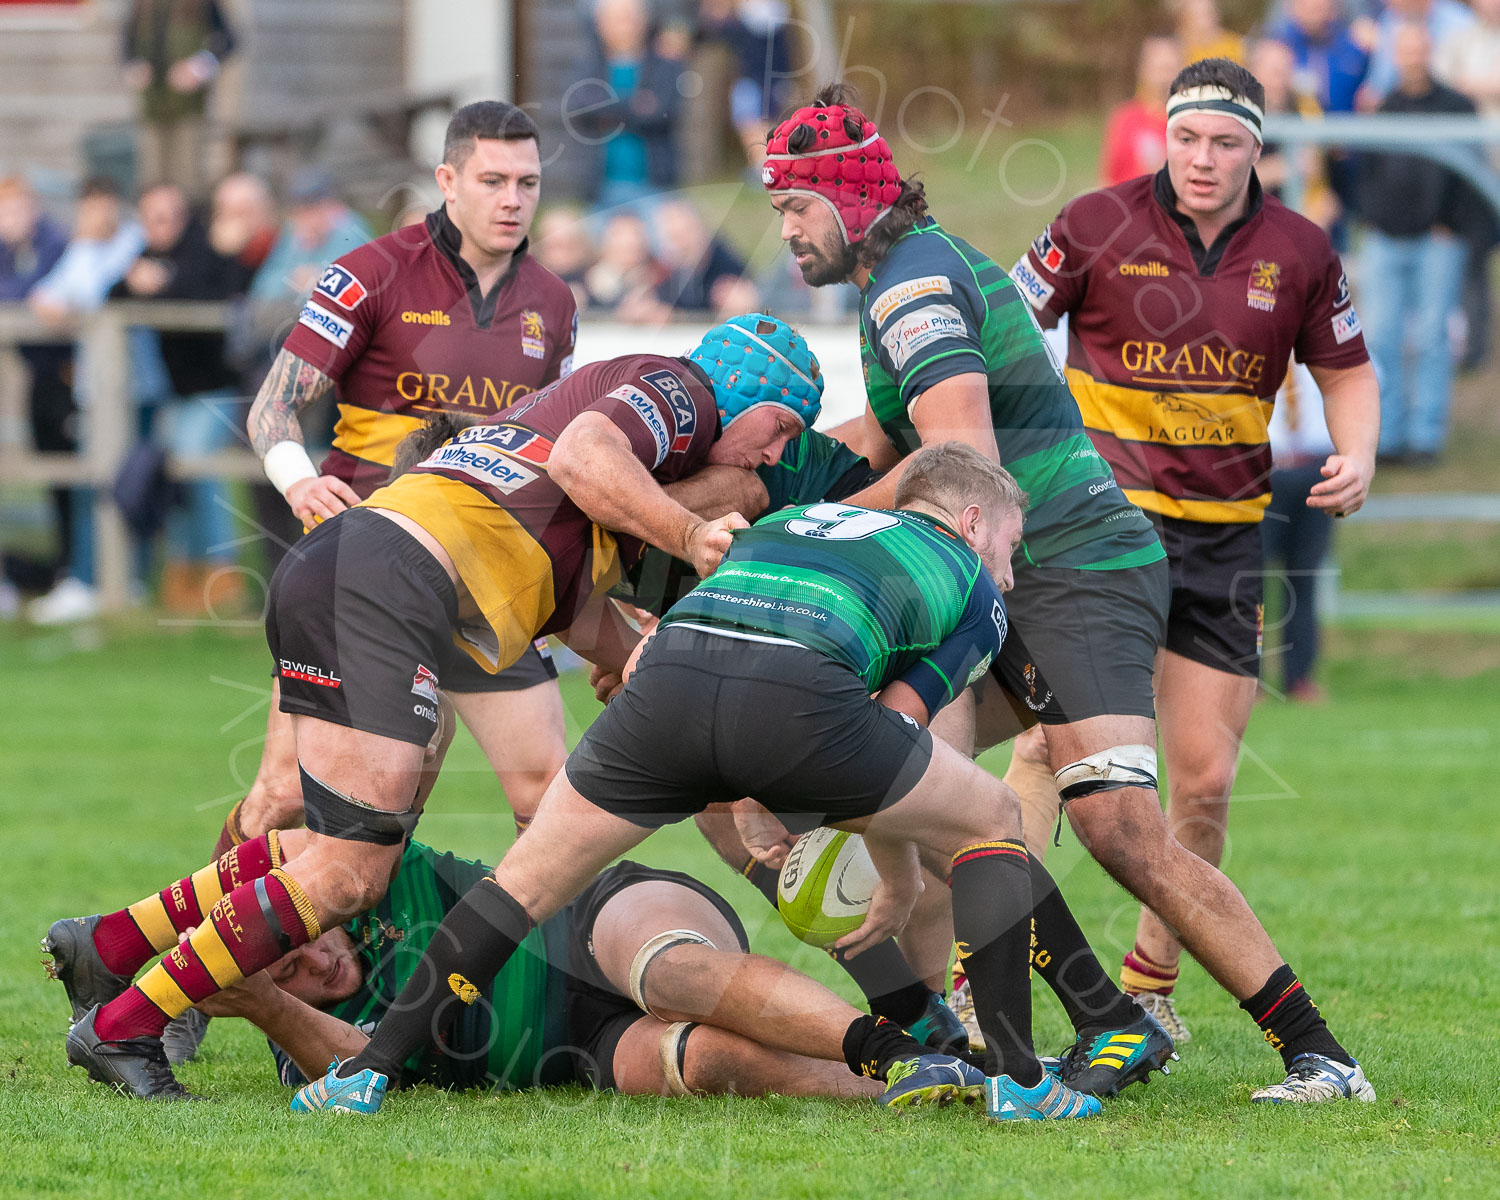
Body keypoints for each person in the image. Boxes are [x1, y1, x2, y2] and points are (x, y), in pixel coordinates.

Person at [765, 82, 1375, 1103]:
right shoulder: (908, 278)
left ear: (850, 199)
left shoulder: (912, 287)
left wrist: (799, 524)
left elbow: (959, 454)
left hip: (1074, 567)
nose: (784, 229)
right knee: (928, 788)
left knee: (1120, 828)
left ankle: (1318, 1054)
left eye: (794, 206)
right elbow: (887, 434)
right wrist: (773, 480)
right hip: (1015, 569)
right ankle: (1045, 1032)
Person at [58, 312, 821, 1100]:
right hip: (386, 586)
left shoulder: (574, 522)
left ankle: (109, 945)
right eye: (781, 425)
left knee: (333, 848)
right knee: (353, 872)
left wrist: (645, 665)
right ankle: (123, 1027)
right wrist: (693, 532)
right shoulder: (685, 391)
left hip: (364, 572)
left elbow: (594, 615)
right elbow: (587, 454)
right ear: (746, 384)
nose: (774, 451)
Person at [294, 443, 1111, 1122]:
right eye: (1008, 548)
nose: (1007, 574)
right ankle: (1019, 1082)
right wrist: (894, 877)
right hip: (795, 702)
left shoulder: (789, 521)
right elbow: (895, 733)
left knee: (523, 884)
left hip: (666, 689)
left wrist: (758, 781)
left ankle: (365, 1073)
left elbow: (714, 632)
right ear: (972, 524)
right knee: (993, 812)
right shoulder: (968, 584)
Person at [1008, 57, 1379, 1053]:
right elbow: (1000, 329)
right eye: (1187, 139)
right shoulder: (1093, 224)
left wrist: (1361, 453)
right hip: (1098, 531)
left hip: (1221, 543)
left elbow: (1345, 367)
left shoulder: (1301, 249)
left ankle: (1151, 984)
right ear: (1160, 135)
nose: (1202, 160)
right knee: (1049, 745)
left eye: (1225, 143)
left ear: (1259, 149)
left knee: (1206, 777)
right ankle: (980, 971)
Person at [216, 102, 577, 893]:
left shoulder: (553, 304)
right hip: (370, 568)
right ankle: (200, 967)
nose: (512, 199)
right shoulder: (371, 272)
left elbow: (552, 452)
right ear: (448, 181)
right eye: (492, 180)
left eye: (528, 182)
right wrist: (298, 477)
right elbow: (272, 406)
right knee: (286, 795)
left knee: (546, 793)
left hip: (486, 573)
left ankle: (522, 987)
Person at [46, 832, 890, 1102]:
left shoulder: (367, 878)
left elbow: (294, 845)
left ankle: (896, 1044)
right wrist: (270, 1005)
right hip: (587, 1047)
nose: (304, 953)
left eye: (288, 931)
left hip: (598, 922)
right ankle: (912, 1085)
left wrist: (144, 935)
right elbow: (357, 1063)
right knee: (701, 1059)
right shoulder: (293, 1039)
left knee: (667, 974)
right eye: (281, 969)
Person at [109, 181, 246, 614]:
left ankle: (224, 577)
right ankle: (183, 579)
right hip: (179, 397)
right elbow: (111, 294)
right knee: (173, 479)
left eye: (168, 216)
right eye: (152, 218)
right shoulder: (149, 257)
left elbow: (206, 295)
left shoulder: (205, 250)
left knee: (198, 471)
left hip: (216, 391)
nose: (161, 226)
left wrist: (157, 288)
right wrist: (136, 285)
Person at [24, 178, 146, 624]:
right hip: (95, 389)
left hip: (133, 388)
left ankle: (122, 580)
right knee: (91, 485)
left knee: (129, 481)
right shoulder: (82, 250)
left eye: (101, 206)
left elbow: (106, 295)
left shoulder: (135, 243)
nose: (95, 217)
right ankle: (86, 579)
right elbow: (46, 298)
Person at [1357, 23, 1478, 464]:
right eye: (1404, 50)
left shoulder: (1457, 106)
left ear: (1430, 51)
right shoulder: (1382, 108)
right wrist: (1372, 219)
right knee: (1381, 338)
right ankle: (1386, 436)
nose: (1412, 57)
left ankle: (1426, 436)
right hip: (1386, 239)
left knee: (1432, 338)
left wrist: (1453, 223)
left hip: (1437, 241)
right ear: (1395, 55)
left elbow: (1471, 172)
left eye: (1419, 48)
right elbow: (1365, 171)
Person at [0, 176, 73, 603]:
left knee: (67, 475)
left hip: (65, 375)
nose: (11, 221)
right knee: (45, 470)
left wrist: (26, 296)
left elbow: (42, 291)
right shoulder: (8, 251)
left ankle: (72, 573)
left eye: (16, 211)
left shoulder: (55, 244)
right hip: (34, 374)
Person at [1263, 363, 1337, 704]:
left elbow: (1362, 383)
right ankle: (1245, 679)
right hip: (1265, 470)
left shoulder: (1328, 342)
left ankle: (1300, 678)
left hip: (1315, 469)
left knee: (1304, 578)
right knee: (1246, 580)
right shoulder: (1254, 336)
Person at [574, 0, 685, 211]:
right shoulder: (589, 66)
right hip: (599, 192)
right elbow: (580, 108)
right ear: (599, 24)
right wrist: (636, 106)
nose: (624, 26)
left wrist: (607, 109)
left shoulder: (665, 65)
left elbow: (661, 114)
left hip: (655, 189)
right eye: (617, 19)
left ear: (645, 21)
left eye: (629, 18)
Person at [121, 0, 236, 197]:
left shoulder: (203, 3)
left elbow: (228, 40)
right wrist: (133, 67)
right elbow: (127, 40)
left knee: (187, 180)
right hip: (152, 105)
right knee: (152, 179)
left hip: (188, 107)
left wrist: (197, 68)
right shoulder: (142, 5)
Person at [1100, 36, 1186, 187]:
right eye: (1158, 69)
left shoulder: (1189, 121)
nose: (1163, 78)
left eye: (1169, 69)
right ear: (1143, 70)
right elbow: (1107, 179)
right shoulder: (1124, 117)